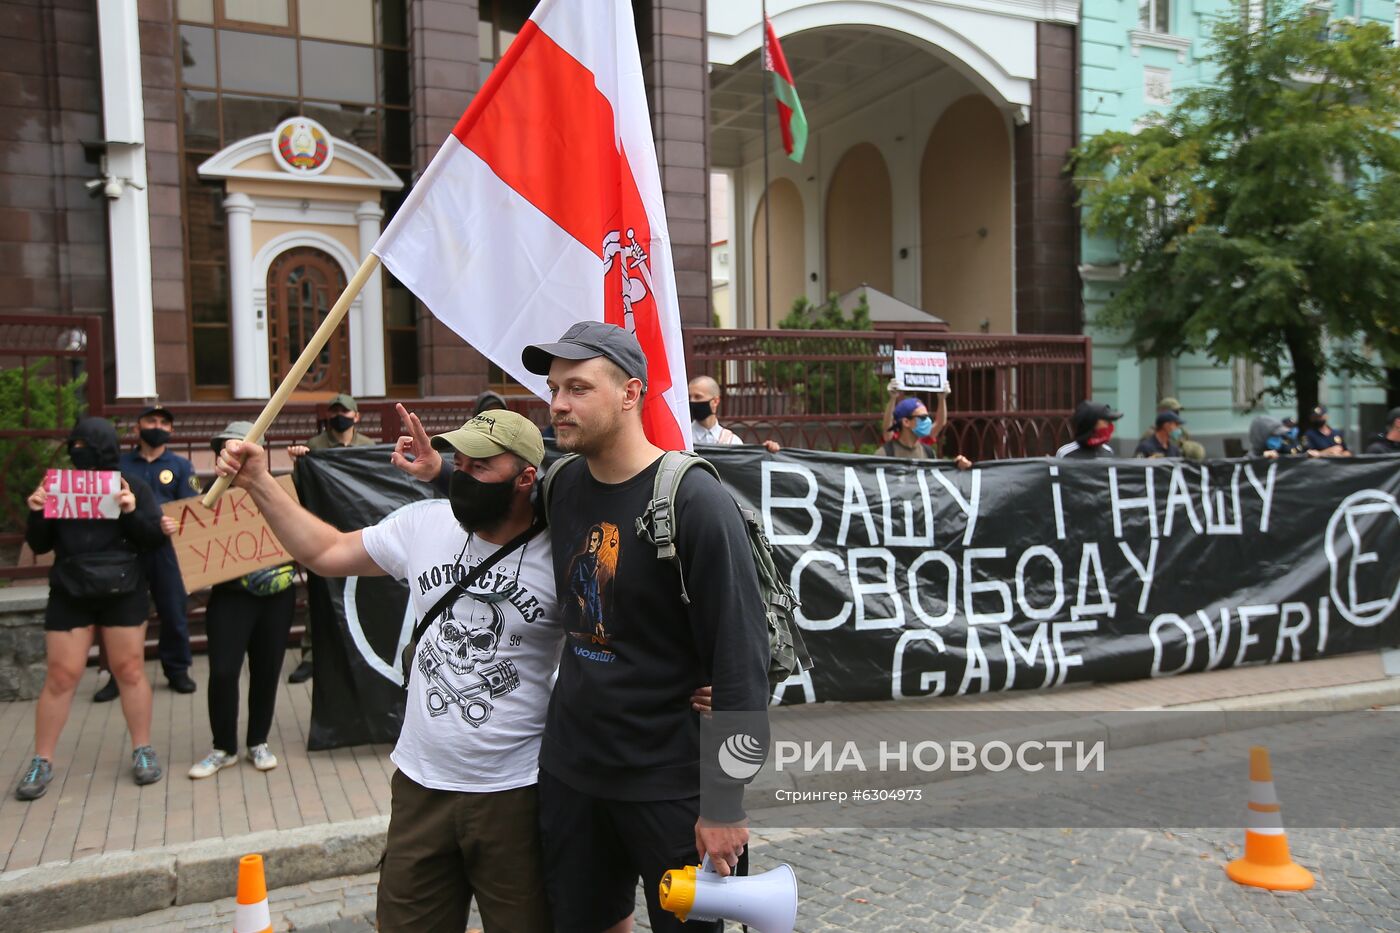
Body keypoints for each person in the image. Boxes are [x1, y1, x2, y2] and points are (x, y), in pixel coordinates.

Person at [215, 410, 560, 932]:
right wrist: (260, 482)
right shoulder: (425, 524)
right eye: (458, 462)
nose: (462, 476)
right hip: (421, 789)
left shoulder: (563, 553)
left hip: (517, 795)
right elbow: (325, 551)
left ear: (526, 478)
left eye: (480, 467)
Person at [521, 321, 771, 932]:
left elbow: (741, 661)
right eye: (553, 389)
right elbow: (493, 510)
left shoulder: (695, 503)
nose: (557, 405)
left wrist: (724, 803)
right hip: (573, 773)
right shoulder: (561, 485)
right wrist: (434, 474)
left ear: (631, 394)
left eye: (577, 388)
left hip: (671, 786)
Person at [17, 418, 166, 800]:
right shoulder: (58, 487)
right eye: (74, 443)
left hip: (123, 590)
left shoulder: (133, 486)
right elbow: (40, 542)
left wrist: (131, 510)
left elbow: (151, 539)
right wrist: (37, 510)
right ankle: (42, 759)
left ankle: (143, 749)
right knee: (61, 676)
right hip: (70, 590)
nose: (77, 449)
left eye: (86, 443)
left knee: (129, 669)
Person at [187, 421, 297, 780]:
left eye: (242, 448)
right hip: (231, 598)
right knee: (222, 670)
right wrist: (173, 529)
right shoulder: (209, 495)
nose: (234, 455)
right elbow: (194, 534)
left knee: (267, 670)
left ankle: (258, 741)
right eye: (227, 447)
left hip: (276, 597)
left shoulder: (279, 491)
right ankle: (223, 747)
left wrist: (308, 463)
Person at [96, 403, 199, 702]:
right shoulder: (120, 465)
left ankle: (177, 670)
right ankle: (117, 676)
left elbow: (190, 508)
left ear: (172, 430)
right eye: (151, 421)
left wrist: (174, 521)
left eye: (164, 423)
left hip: (166, 550)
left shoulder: (181, 466)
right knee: (121, 614)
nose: (157, 426)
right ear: (137, 427)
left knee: (173, 610)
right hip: (128, 548)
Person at [286, 393, 378, 684]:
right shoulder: (315, 448)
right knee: (318, 596)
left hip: (357, 526)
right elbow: (301, 487)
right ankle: (310, 656)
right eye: (335, 411)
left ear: (356, 416)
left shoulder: (368, 447)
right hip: (324, 526)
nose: (340, 417)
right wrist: (300, 462)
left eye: (346, 412)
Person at [687, 375, 780, 452]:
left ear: (715, 401)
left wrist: (764, 452)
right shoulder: (683, 439)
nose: (692, 401)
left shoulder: (732, 441)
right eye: (690, 397)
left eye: (698, 397)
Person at [1056, 401, 1123, 459]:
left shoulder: (1108, 452)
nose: (1109, 426)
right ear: (1091, 423)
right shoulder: (1065, 453)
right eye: (1106, 422)